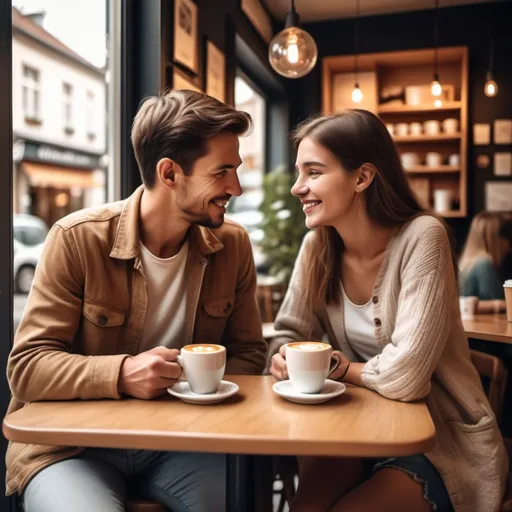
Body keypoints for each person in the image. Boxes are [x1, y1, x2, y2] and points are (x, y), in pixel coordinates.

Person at [6, 90, 267, 512]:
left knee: (234, 502)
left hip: (188, 442)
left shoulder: (232, 244)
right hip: (74, 447)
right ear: (169, 174)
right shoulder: (77, 239)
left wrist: (186, 385)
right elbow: (27, 368)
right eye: (222, 172)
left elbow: (250, 354)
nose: (234, 186)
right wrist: (124, 373)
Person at [269, 110, 508, 512]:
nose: (297, 188)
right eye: (299, 173)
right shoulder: (317, 248)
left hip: (437, 442)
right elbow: (287, 332)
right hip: (349, 429)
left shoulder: (422, 237)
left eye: (313, 172)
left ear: (362, 178)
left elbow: (408, 376)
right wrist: (283, 357)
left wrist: (340, 369)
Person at [459, 212, 510, 314]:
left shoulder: (466, 261)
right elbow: (497, 300)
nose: (508, 244)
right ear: (495, 238)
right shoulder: (484, 264)